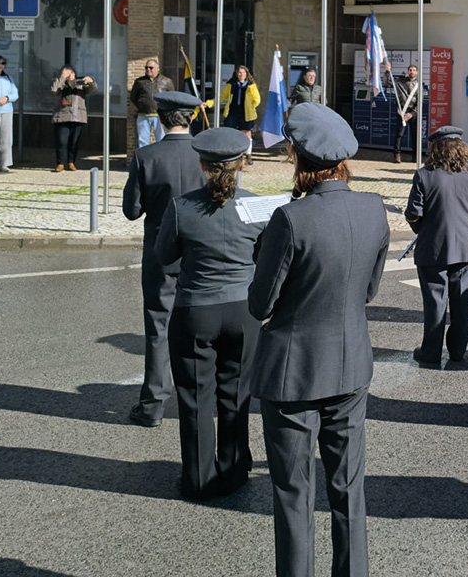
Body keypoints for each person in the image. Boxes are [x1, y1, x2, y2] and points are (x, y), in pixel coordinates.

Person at [249, 102, 390, 577]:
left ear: (299, 160)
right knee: (349, 489)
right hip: (350, 366)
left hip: (293, 375)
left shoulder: (290, 220)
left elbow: (260, 305)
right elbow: (368, 290)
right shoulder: (374, 208)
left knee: (294, 494)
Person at [155, 127, 265, 499]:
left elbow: (164, 258)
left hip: (195, 310)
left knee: (196, 399)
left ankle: (199, 479)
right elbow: (266, 258)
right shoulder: (257, 206)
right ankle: (234, 472)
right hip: (243, 310)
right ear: (242, 164)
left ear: (201, 164)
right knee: (237, 396)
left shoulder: (181, 206)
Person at [122, 91, 207, 428]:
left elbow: (131, 211)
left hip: (161, 253)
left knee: (158, 327)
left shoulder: (146, 155)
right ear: (191, 118)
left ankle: (153, 405)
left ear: (161, 118)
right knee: (200, 330)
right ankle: (198, 404)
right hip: (201, 254)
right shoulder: (206, 153)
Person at [405, 126, 468, 367]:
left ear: (436, 149)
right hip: (467, 247)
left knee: (434, 304)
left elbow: (413, 213)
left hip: (432, 248)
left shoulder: (424, 175)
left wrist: (422, 229)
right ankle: (457, 351)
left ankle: (430, 352)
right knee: (462, 305)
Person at [50, 65, 97, 172]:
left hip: (77, 116)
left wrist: (91, 81)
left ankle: (71, 162)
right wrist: (62, 78)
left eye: (71, 73)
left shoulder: (79, 84)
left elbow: (92, 89)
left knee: (74, 141)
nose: (69, 75)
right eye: (66, 73)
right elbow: (54, 90)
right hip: (61, 116)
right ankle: (60, 163)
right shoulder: (59, 83)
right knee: (61, 141)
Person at [217, 65, 260, 160]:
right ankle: (231, 152)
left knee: (246, 132)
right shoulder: (231, 84)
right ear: (236, 74)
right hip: (233, 112)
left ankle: (248, 154)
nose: (241, 74)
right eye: (240, 72)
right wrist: (210, 103)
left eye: (243, 72)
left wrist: (251, 106)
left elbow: (257, 100)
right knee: (230, 132)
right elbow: (222, 97)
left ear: (247, 74)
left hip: (246, 113)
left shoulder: (251, 85)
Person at [129, 58, 174, 148]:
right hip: (143, 115)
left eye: (151, 68)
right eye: (146, 68)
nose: (148, 70)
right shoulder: (139, 82)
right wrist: (142, 106)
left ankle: (161, 160)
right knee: (142, 141)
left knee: (161, 140)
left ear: (158, 69)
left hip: (160, 116)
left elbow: (171, 97)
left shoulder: (166, 81)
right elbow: (133, 97)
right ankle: (144, 161)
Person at [389, 63, 422, 163]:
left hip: (413, 112)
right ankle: (397, 155)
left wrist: (412, 113)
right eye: (410, 70)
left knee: (415, 135)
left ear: (417, 72)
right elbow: (387, 82)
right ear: (408, 71)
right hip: (402, 111)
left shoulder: (419, 85)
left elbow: (420, 101)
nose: (412, 72)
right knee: (399, 134)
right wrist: (387, 71)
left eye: (413, 70)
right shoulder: (400, 82)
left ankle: (416, 157)